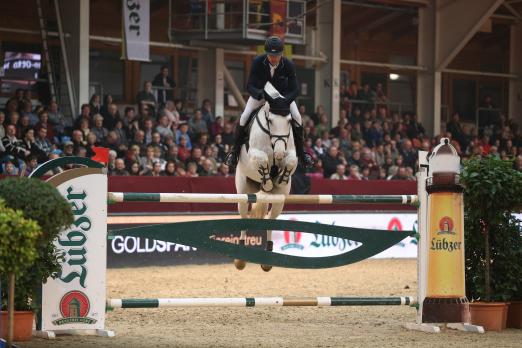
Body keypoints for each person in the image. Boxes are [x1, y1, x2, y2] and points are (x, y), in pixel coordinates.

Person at [224, 36, 314, 169]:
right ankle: (234, 152)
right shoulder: (258, 62)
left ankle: (301, 154)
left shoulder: (288, 64)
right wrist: (260, 94)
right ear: (267, 53)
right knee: (244, 116)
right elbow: (250, 86)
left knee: (298, 117)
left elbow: (295, 89)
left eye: (276, 55)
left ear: (281, 54)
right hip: (262, 96)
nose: (273, 58)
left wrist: (285, 101)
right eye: (271, 55)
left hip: (282, 98)